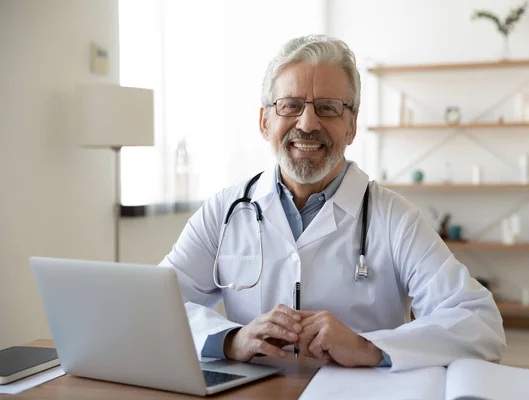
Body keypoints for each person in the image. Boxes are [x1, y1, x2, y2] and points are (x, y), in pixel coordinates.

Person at [160, 34, 506, 371]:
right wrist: (230, 340)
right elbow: (156, 304)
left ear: (351, 126)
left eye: (328, 108)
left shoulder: (394, 218)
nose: (308, 123)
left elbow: (480, 324)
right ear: (265, 122)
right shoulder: (225, 209)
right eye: (290, 106)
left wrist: (369, 347)